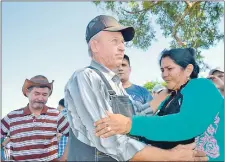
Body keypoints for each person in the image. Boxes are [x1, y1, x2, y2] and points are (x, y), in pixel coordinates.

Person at [65, 15, 207, 161]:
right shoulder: (85, 77)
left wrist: (163, 95)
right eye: (114, 41)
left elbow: (134, 116)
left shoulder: (116, 84)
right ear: (95, 46)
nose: (122, 47)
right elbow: (108, 139)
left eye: (122, 42)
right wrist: (170, 156)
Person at [94, 48, 224, 161]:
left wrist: (129, 124)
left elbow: (186, 124)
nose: (164, 75)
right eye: (162, 70)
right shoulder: (168, 100)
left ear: (188, 69)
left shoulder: (200, 86)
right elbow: (156, 130)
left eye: (169, 69)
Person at [1, 75, 70, 161]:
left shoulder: (56, 115)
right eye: (36, 93)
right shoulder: (11, 117)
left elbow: (73, 135)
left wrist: (64, 158)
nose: (40, 98)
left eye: (44, 94)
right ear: (27, 93)